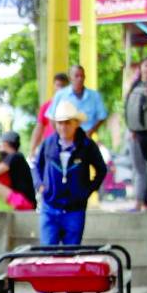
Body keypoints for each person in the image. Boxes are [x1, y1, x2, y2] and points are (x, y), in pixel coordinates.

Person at [34, 100, 107, 246]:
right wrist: (40, 185)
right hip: (50, 206)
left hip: (75, 209)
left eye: (68, 122)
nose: (63, 127)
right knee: (47, 252)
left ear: (76, 123)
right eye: (60, 123)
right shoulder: (48, 143)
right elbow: (37, 166)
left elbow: (101, 169)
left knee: (71, 252)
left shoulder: (86, 145)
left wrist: (88, 190)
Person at [125, 55, 147, 211]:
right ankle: (138, 200)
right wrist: (131, 128)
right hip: (135, 133)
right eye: (146, 65)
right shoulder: (135, 86)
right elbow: (128, 110)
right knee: (139, 169)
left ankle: (145, 201)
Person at [50, 65, 108, 138]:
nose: (80, 79)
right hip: (66, 138)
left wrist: (90, 132)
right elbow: (51, 117)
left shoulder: (95, 96)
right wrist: (60, 134)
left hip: (87, 138)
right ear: (70, 78)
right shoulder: (60, 95)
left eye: (82, 76)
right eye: (76, 76)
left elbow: (102, 116)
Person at [0, 131, 36, 211]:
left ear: (5, 144)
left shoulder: (15, 156)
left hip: (24, 202)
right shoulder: (18, 158)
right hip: (23, 201)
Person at [29, 72, 69, 158]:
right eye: (58, 85)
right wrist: (32, 150)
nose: (60, 89)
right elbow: (39, 128)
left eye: (63, 86)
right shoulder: (46, 106)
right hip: (50, 146)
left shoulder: (72, 107)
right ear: (54, 86)